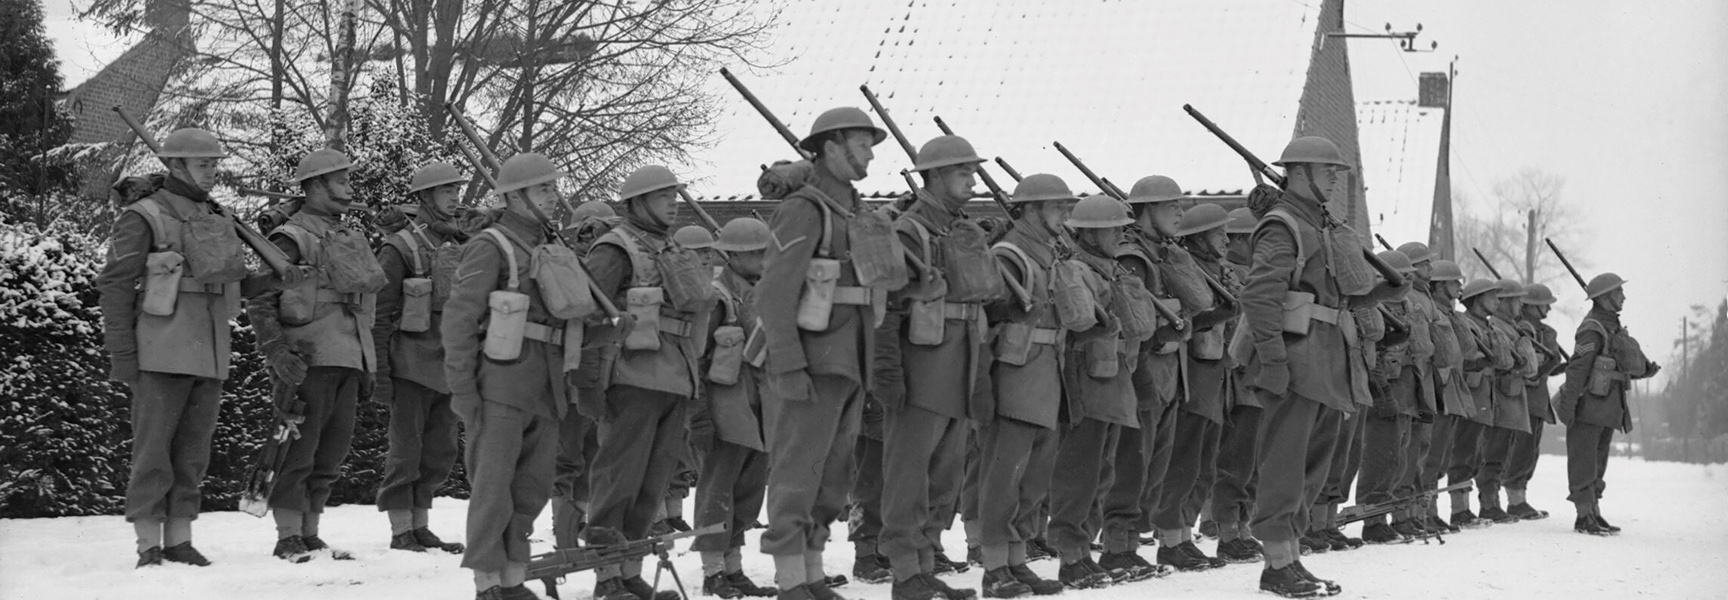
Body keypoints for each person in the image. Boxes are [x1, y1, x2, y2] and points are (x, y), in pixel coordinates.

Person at [1238, 136, 1402, 598]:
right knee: (1284, 462)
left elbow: (1341, 295)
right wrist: (1271, 360)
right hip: (1295, 357)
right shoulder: (1283, 225)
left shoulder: (1321, 224)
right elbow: (1259, 296)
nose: (1334, 178)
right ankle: (1275, 565)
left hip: (1327, 359)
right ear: (1299, 172)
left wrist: (1383, 293)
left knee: (1310, 465)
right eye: (1327, 170)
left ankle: (1290, 558)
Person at [97, 128, 269, 568]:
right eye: (203, 164)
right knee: (153, 452)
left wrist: (281, 279)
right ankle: (147, 546)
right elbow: (116, 286)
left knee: (193, 453)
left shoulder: (216, 214)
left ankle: (179, 540)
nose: (213, 172)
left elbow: (234, 281)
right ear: (175, 166)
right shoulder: (144, 215)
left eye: (214, 164)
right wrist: (122, 355)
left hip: (208, 347)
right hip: (159, 350)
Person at [753, 107, 891, 600]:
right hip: (813, 361)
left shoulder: (853, 209)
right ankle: (790, 580)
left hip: (849, 359)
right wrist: (788, 364)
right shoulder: (805, 209)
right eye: (862, 141)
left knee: (832, 476)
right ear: (832, 146)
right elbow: (774, 294)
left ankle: (811, 572)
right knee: (799, 470)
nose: (871, 152)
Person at [443, 152, 577, 600]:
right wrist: (463, 389)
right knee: (493, 488)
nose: (554, 197)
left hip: (545, 384)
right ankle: (487, 581)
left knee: (531, 488)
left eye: (554, 188)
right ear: (514, 196)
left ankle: (514, 577)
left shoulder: (552, 245)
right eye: (544, 189)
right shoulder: (491, 245)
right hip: (500, 384)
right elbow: (459, 321)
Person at [249, 148, 383, 562]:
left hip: (347, 356)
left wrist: (367, 361)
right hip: (307, 358)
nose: (349, 190)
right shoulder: (291, 237)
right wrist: (275, 349)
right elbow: (260, 299)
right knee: (297, 449)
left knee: (330, 452)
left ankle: (310, 532)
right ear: (314, 187)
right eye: (340, 182)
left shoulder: (347, 236)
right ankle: (287, 534)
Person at [581, 165, 707, 600]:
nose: (673, 202)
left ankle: (630, 571)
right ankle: (607, 578)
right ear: (636, 203)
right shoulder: (613, 249)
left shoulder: (672, 248)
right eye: (661, 196)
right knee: (618, 479)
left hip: (674, 375)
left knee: (652, 482)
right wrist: (588, 383)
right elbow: (589, 316)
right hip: (630, 375)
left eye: (673, 195)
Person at [879, 135, 997, 600]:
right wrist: (888, 371)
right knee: (909, 475)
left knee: (943, 476)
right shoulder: (911, 232)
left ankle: (925, 565)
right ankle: (906, 572)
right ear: (933, 176)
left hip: (960, 365)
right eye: (962, 172)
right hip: (921, 367)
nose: (972, 180)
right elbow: (886, 306)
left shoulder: (958, 228)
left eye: (972, 171)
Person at [972, 174, 1081, 598]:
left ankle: (1016, 561)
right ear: (1030, 210)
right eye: (1057, 207)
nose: (1065, 214)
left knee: (1032, 478)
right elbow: (990, 318)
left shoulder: (1046, 254)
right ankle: (994, 566)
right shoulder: (1010, 254)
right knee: (1004, 474)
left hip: (1045, 374)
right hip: (1014, 374)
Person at [373, 161, 470, 554]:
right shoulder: (400, 247)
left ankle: (421, 524)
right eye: (447, 191)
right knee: (405, 450)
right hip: (410, 364)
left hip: (449, 364)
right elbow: (379, 313)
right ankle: (401, 530)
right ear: (425, 197)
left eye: (456, 190)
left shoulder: (463, 242)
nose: (455, 197)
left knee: (440, 450)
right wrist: (379, 371)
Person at [1047, 195, 1139, 591]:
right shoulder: (1075, 268)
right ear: (1090, 232)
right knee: (1079, 470)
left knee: (1101, 469)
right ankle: (1071, 556)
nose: (1120, 234)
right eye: (1113, 228)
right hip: (1086, 373)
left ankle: (1084, 550)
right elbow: (1084, 319)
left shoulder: (1108, 270)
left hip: (1112, 373)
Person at [1111, 175, 1201, 576]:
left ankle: (1134, 543)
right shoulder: (1133, 258)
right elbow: (1135, 321)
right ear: (1146, 212)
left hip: (1170, 372)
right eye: (1171, 207)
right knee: (1133, 462)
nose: (1180, 213)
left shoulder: (1164, 254)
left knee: (1156, 465)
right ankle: (1117, 544)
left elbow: (1197, 303)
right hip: (1144, 370)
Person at [691, 217, 779, 599]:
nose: (762, 260)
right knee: (717, 489)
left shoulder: (767, 293)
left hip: (760, 406)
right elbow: (695, 358)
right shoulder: (714, 298)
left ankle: (733, 568)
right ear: (732, 256)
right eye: (753, 253)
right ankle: (713, 573)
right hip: (724, 406)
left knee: (747, 490)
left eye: (764, 252)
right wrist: (699, 417)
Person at [1149, 202, 1238, 567]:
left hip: (1216, 373)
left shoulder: (1220, 270)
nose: (1226, 240)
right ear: (1199, 239)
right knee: (1184, 459)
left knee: (1203, 462)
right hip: (1195, 372)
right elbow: (1191, 317)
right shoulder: (1187, 268)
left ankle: (1184, 535)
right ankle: (1171, 539)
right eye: (1218, 234)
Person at [1553, 273, 1659, 535]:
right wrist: (1567, 406)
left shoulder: (1612, 327)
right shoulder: (1592, 328)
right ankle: (1583, 516)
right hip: (1588, 407)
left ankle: (1594, 512)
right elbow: (1577, 370)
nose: (1623, 296)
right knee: (1584, 462)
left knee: (1598, 463)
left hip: (1608, 407)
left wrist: (1645, 369)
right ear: (1604, 297)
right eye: (1618, 292)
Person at [550, 200, 616, 556]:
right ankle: (563, 534)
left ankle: (582, 527)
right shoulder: (564, 264)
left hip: (602, 370)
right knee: (567, 456)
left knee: (593, 455)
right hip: (570, 370)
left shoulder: (606, 267)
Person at [1355, 250, 1432, 544]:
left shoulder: (1408, 308)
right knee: (1380, 458)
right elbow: (1372, 356)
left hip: (1411, 395)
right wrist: (1383, 395)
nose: (1408, 282)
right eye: (1405, 276)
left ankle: (1391, 515)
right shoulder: (1373, 308)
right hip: (1385, 394)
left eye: (1411, 276)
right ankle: (1372, 520)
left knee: (1401, 459)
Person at [1207, 207, 1264, 563]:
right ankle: (1228, 531)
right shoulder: (1230, 275)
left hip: (1256, 378)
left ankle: (1243, 527)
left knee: (1252, 460)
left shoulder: (1256, 276)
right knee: (1236, 459)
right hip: (1236, 377)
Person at [1445, 278, 1511, 530]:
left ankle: (1467, 507)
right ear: (1477, 298)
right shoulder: (1465, 324)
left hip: (1485, 398)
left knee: (1475, 456)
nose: (1497, 301)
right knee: (1463, 455)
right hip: (1469, 398)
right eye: (1492, 296)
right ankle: (1459, 509)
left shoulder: (1488, 327)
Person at [1504, 282, 1566, 521]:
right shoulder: (1518, 330)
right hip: (1520, 399)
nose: (1548, 311)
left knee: (1530, 452)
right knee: (1519, 452)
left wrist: (1556, 365)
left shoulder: (1546, 333)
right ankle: (1514, 501)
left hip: (1537, 401)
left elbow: (1546, 365)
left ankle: (1518, 499)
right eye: (1543, 306)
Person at [1476, 279, 1537, 523]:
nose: (1520, 305)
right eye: (1516, 300)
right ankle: (1489, 504)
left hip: (1511, 399)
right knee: (1493, 455)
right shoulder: (1498, 328)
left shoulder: (1511, 328)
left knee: (1502, 456)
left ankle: (1494, 503)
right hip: (1500, 400)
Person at [1416, 260, 1469, 534]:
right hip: (1434, 389)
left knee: (1439, 457)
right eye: (1454, 282)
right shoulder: (1431, 310)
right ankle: (1423, 512)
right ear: (1439, 285)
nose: (1459, 287)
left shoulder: (1450, 313)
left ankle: (1431, 510)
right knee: (1429, 456)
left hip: (1448, 389)